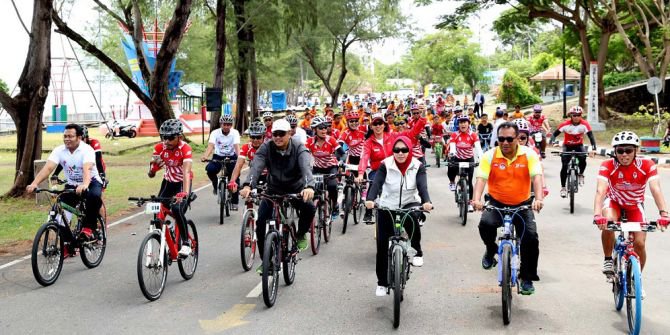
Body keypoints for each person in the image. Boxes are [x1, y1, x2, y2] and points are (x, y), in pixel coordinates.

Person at [472, 121, 544, 294]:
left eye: (509, 139)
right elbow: (481, 179)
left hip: (522, 204)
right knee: (485, 224)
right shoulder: (489, 156)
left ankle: (527, 278)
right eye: (501, 139)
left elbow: (537, 177)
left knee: (531, 238)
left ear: (518, 139)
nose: (505, 143)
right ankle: (491, 250)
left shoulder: (529, 155)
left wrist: (539, 199)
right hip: (496, 202)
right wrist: (476, 199)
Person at [239, 119, 316, 273]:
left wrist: (308, 186)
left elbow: (306, 167)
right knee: (260, 224)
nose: (278, 137)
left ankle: (300, 234)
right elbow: (256, 166)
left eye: (282, 134)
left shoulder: (298, 147)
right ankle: (266, 262)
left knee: (309, 207)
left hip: (296, 188)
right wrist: (248, 184)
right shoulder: (266, 147)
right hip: (273, 189)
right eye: (275, 134)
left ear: (289, 134)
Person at [593, 131, 669, 286]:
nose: (624, 155)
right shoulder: (607, 165)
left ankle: (636, 279)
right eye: (620, 151)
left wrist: (664, 214)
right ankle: (608, 259)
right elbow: (601, 190)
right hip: (614, 202)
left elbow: (655, 189)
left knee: (639, 244)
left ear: (636, 151)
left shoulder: (647, 165)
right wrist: (596, 214)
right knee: (608, 221)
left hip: (635, 206)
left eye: (628, 150)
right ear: (615, 152)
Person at [365, 136, 433, 296]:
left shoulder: (418, 166)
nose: (400, 153)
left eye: (404, 150)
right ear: (392, 151)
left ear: (409, 150)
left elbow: (423, 186)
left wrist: (427, 201)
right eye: (397, 150)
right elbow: (377, 183)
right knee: (381, 246)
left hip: (409, 203)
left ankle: (417, 251)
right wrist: (370, 199)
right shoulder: (385, 165)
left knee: (413, 220)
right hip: (387, 205)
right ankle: (382, 282)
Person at [27, 124, 104, 241]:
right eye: (65, 136)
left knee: (94, 197)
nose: (67, 139)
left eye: (70, 136)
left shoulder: (87, 150)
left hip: (91, 182)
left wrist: (84, 185)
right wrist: (34, 183)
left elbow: (87, 169)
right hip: (72, 184)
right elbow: (48, 168)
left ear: (79, 137)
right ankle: (68, 243)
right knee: (58, 214)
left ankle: (89, 227)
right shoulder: (59, 150)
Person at [357, 113, 427, 222]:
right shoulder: (368, 142)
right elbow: (364, 157)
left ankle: (417, 210)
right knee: (372, 184)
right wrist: (361, 173)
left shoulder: (393, 136)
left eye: (380, 123)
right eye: (375, 124)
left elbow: (412, 133)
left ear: (384, 125)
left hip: (396, 169)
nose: (378, 126)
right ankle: (369, 212)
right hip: (377, 170)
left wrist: (422, 119)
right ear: (371, 126)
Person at [148, 119, 194, 256]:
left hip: (182, 182)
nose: (166, 141)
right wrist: (153, 170)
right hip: (168, 182)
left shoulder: (185, 148)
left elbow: (186, 172)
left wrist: (184, 193)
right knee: (157, 211)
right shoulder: (159, 148)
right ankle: (167, 240)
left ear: (179, 137)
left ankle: (186, 243)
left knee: (177, 208)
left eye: (170, 137)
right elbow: (150, 173)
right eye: (164, 137)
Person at [549, 105, 597, 198]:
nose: (576, 117)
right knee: (564, 165)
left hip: (579, 146)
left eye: (578, 115)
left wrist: (594, 149)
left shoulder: (585, 124)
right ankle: (563, 188)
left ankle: (581, 174)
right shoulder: (565, 124)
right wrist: (553, 141)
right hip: (567, 146)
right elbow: (554, 135)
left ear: (581, 115)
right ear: (571, 115)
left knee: (583, 158)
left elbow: (591, 137)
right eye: (574, 115)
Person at [306, 116, 345, 221]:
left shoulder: (330, 140)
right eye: (321, 128)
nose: (324, 130)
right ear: (314, 129)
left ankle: (335, 205)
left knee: (332, 186)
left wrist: (342, 162)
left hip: (331, 167)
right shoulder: (310, 141)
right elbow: (303, 155)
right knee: (313, 190)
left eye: (325, 127)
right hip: (317, 168)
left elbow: (342, 153)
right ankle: (312, 218)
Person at [201, 115, 241, 209]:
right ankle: (216, 186)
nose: (226, 126)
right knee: (210, 169)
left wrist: (239, 158)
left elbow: (236, 146)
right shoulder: (215, 133)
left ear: (231, 125)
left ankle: (235, 202)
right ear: (221, 124)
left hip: (231, 156)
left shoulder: (235, 133)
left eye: (229, 124)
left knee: (235, 176)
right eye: (224, 124)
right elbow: (211, 145)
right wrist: (205, 156)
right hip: (218, 156)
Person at [447, 116, 483, 211]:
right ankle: (452, 182)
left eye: (465, 122)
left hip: (469, 159)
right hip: (458, 158)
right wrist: (452, 154)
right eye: (461, 122)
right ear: (458, 125)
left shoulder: (473, 135)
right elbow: (453, 147)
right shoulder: (455, 135)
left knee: (470, 181)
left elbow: (478, 148)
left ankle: (470, 202)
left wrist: (481, 158)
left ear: (468, 124)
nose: (463, 124)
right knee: (450, 165)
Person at [515, 118, 549, 197]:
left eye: (523, 138)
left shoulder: (531, 145)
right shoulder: (506, 146)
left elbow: (540, 167)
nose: (520, 140)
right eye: (516, 137)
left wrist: (543, 186)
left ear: (527, 137)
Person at [229, 121, 267, 191]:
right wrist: (232, 181)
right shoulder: (246, 147)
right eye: (253, 137)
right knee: (249, 198)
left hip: (268, 176)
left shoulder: (268, 146)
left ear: (263, 137)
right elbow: (238, 164)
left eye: (258, 137)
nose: (255, 140)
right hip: (253, 175)